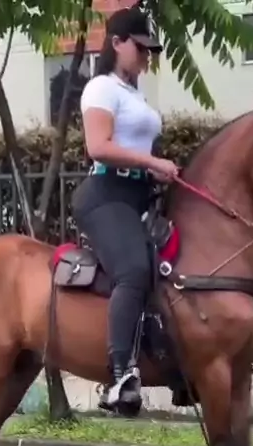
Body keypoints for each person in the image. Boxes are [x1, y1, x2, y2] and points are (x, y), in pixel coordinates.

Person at [72, 6, 179, 415]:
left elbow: (137, 148)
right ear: (117, 43)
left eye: (150, 50)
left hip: (139, 193)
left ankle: (172, 362)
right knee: (133, 269)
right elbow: (98, 146)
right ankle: (119, 377)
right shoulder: (101, 88)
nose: (147, 57)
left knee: (173, 266)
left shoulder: (135, 94)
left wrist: (157, 171)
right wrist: (151, 162)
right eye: (141, 48)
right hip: (106, 194)